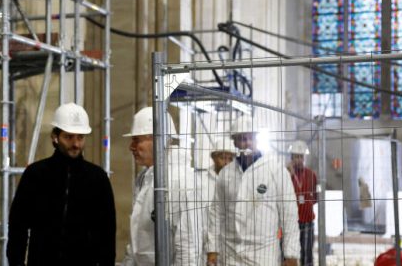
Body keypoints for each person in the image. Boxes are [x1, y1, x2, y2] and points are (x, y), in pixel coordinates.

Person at [6, 102, 116, 265]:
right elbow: (18, 226)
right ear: (55, 137)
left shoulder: (98, 178)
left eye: (80, 137)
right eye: (69, 137)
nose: (76, 144)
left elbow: (107, 232)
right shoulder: (35, 175)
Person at [205, 116, 300, 266]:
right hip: (230, 254)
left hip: (263, 255)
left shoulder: (275, 170)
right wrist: (212, 250)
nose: (248, 143)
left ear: (258, 139)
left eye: (251, 138)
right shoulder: (226, 174)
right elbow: (217, 213)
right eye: (242, 139)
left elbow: (289, 214)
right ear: (235, 142)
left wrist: (291, 254)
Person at [123, 107, 201, 266]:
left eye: (137, 140)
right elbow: (136, 237)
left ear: (157, 139)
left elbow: (187, 245)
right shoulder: (144, 178)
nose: (131, 147)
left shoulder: (182, 180)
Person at [287, 140, 317, 266]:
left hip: (307, 220)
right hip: (290, 222)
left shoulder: (311, 175)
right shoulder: (285, 174)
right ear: (291, 158)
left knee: (307, 254)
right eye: (296, 157)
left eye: (301, 156)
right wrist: (290, 174)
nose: (299, 160)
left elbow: (315, 197)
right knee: (289, 253)